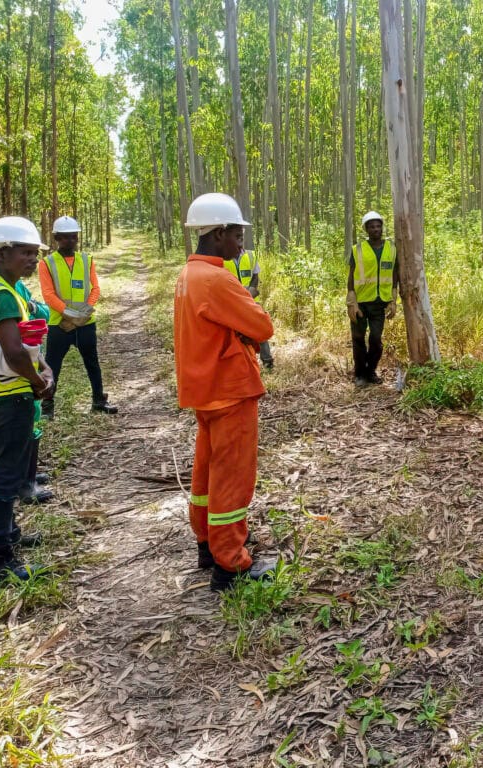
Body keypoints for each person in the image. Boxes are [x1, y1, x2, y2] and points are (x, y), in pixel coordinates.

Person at [175, 193, 276, 592]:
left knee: (207, 475)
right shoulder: (217, 279)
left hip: (206, 391)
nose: (241, 243)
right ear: (218, 233)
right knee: (232, 479)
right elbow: (262, 326)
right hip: (230, 391)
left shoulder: (188, 275)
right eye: (236, 234)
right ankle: (231, 565)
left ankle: (208, 544)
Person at [0, 217, 55, 580]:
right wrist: (37, 381)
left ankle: (8, 533)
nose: (33, 259)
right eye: (25, 253)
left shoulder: (3, 287)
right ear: (0, 254)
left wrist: (42, 367)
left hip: (3, 390)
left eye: (35, 253)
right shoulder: (0, 294)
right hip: (9, 393)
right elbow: (14, 352)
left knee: (7, 470)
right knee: (6, 474)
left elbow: (25, 343)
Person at [37, 215, 117, 418]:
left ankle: (99, 400)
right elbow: (48, 295)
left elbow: (95, 288)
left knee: (92, 362)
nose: (70, 241)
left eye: (73, 237)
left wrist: (85, 312)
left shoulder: (87, 260)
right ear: (56, 238)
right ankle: (47, 407)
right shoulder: (46, 263)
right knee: (53, 364)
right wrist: (71, 315)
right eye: (65, 237)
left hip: (86, 324)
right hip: (59, 324)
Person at [346, 211, 398, 385]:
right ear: (366, 229)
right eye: (372, 226)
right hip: (360, 302)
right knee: (358, 338)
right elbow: (351, 275)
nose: (376, 229)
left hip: (379, 302)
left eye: (378, 226)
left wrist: (393, 298)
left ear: (382, 227)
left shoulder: (391, 248)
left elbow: (394, 273)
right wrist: (351, 300)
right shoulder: (358, 249)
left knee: (375, 339)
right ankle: (360, 374)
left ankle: (371, 371)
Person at [225, 250, 274, 369]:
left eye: (241, 236)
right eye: (237, 237)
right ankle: (239, 364)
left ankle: (267, 361)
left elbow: (255, 275)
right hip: (231, 301)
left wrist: (251, 289)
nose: (240, 240)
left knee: (259, 326)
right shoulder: (222, 256)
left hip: (250, 299)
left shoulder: (251, 255)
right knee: (234, 334)